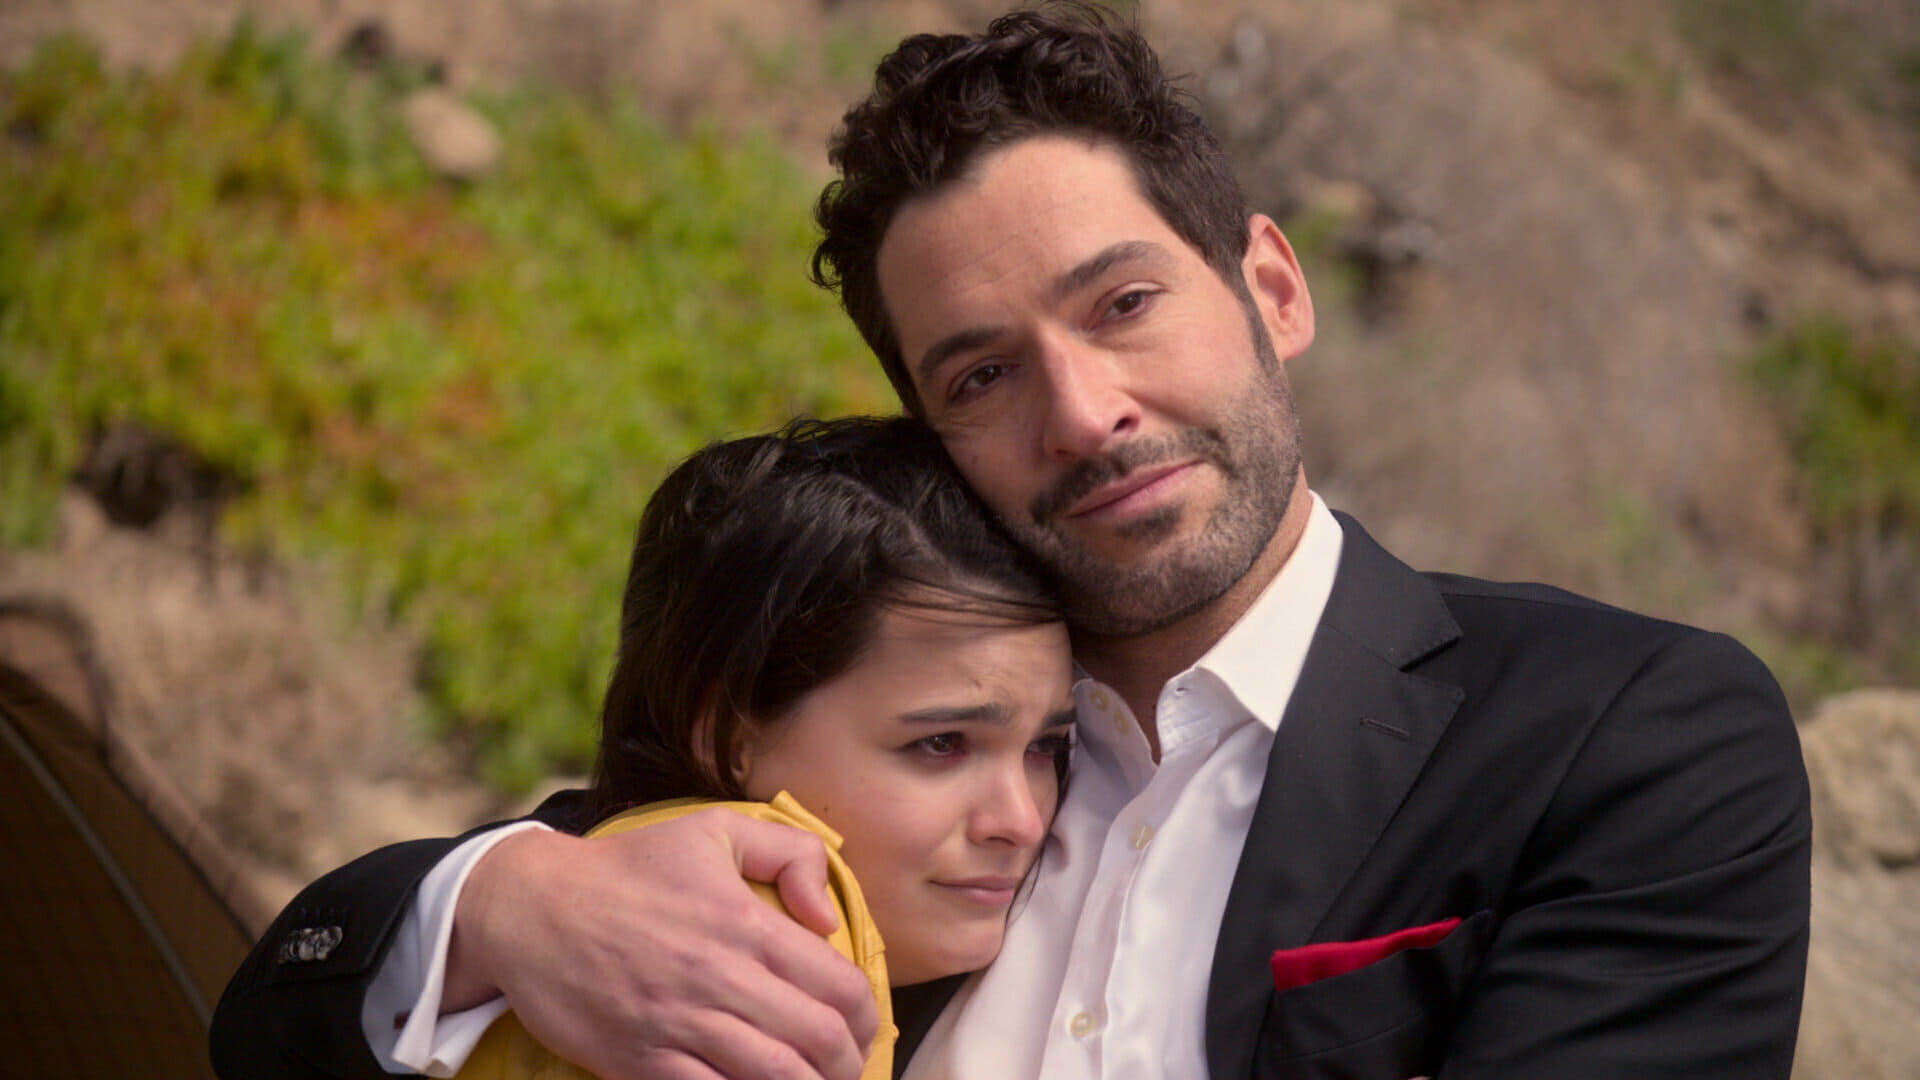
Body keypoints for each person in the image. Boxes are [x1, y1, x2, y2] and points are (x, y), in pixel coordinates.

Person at [212, 4, 1812, 1079]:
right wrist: (506, 902)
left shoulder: (1624, 734)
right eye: (982, 374)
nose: (1084, 411)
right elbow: (269, 1017)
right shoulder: (893, 732)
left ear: (1271, 289)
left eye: (1124, 303)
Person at [443, 416, 1076, 1080]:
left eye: (1046, 747)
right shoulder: (758, 936)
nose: (1021, 821)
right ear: (725, 733)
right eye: (941, 744)